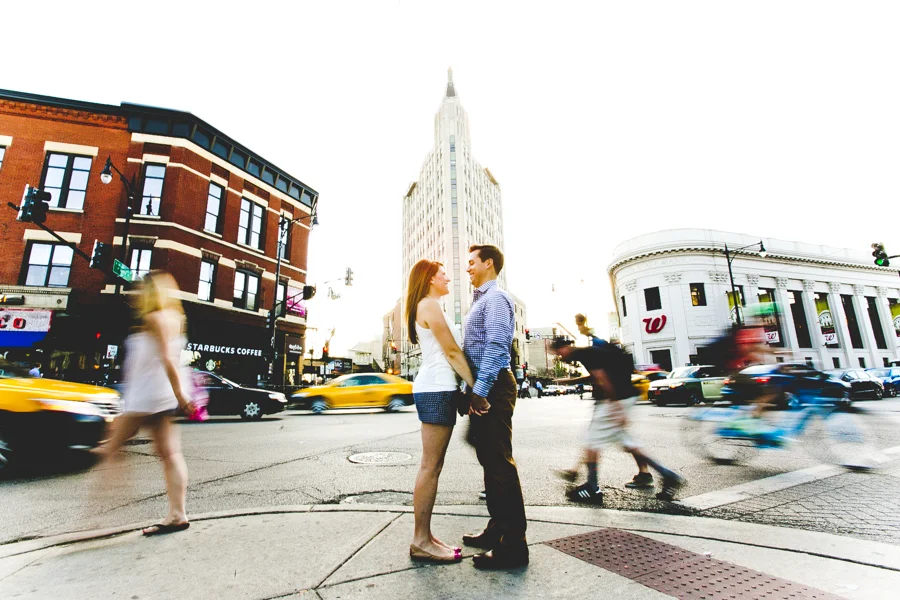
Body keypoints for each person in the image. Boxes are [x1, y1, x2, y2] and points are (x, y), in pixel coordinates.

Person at [95, 271, 196, 536]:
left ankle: (97, 518)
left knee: (110, 450)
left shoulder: (153, 319)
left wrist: (181, 396)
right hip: (157, 396)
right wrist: (179, 395)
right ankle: (177, 514)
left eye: (141, 290)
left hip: (146, 397)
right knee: (169, 454)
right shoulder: (176, 318)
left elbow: (167, 359)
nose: (138, 294)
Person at [461, 244, 529, 570]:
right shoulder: (480, 301)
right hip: (483, 388)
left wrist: (480, 391)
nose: (468, 268)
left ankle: (514, 545)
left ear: (489, 263)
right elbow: (472, 351)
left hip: (494, 388)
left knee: (499, 462)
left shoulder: (497, 299)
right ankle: (497, 528)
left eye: (472, 262)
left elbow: (497, 346)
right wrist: (469, 389)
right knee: (488, 459)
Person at [551, 337, 685, 503]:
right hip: (622, 397)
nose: (559, 357)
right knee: (626, 442)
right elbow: (599, 375)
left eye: (558, 353)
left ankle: (592, 487)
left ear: (565, 347)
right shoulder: (590, 353)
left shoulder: (584, 354)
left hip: (613, 401)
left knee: (592, 441)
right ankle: (668, 475)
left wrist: (616, 407)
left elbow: (602, 378)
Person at [406, 259, 476, 563]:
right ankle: (420, 540)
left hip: (438, 387)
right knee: (430, 466)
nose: (449, 277)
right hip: (436, 389)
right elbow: (451, 352)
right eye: (443, 274)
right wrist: (477, 388)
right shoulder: (429, 306)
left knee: (433, 466)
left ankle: (427, 536)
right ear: (430, 278)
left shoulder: (431, 306)